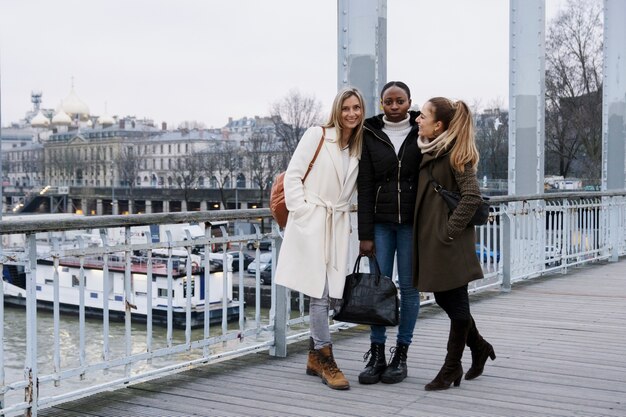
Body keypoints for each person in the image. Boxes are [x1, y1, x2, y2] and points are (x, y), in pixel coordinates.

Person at [274, 87, 365, 390]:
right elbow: (293, 176)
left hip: (338, 224)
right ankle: (327, 358)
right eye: (346, 108)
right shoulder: (317, 135)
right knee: (320, 293)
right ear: (337, 110)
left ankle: (314, 357)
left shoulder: (359, 145)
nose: (351, 113)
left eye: (357, 108)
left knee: (332, 294)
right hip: (314, 221)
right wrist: (302, 213)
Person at [413, 97, 496, 391]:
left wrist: (449, 231)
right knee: (445, 300)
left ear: (439, 125)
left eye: (422, 116)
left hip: (449, 241)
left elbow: (472, 196)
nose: (417, 120)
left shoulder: (454, 154)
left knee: (457, 305)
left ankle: (450, 368)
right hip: (434, 240)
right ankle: (480, 347)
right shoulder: (429, 148)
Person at [356, 81, 422, 385]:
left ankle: (401, 354)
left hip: (411, 223)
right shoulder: (369, 133)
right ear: (381, 103)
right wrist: (364, 234)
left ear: (409, 102)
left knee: (408, 288)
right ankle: (378, 353)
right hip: (379, 224)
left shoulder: (422, 129)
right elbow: (365, 186)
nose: (394, 107)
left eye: (400, 101)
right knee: (377, 285)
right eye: (388, 102)